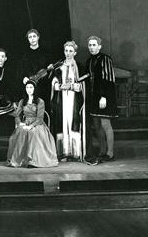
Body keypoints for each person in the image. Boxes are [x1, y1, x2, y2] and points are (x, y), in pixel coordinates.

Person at [6, 80, 58, 168]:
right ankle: (21, 160)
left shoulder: (40, 101)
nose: (29, 89)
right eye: (27, 87)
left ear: (34, 89)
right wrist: (20, 123)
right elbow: (17, 115)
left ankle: (33, 160)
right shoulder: (22, 101)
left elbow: (40, 118)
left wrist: (30, 126)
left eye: (31, 87)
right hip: (25, 122)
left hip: (37, 123)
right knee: (19, 134)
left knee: (33, 133)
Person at [83, 35, 117, 164]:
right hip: (93, 98)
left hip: (104, 97)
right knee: (96, 125)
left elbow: (108, 79)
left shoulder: (105, 59)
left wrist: (104, 97)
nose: (92, 47)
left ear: (99, 46)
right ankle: (102, 151)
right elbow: (86, 77)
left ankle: (110, 153)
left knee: (105, 124)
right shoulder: (89, 61)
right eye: (90, 45)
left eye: (94, 45)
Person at [50, 40, 86, 162]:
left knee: (73, 122)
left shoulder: (79, 67)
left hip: (74, 100)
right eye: (66, 51)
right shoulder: (59, 67)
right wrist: (60, 86)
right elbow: (53, 84)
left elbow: (83, 86)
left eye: (71, 51)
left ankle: (75, 153)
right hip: (61, 100)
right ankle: (63, 152)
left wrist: (71, 86)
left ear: (75, 52)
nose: (68, 53)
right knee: (62, 122)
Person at [18, 29, 53, 109]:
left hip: (43, 86)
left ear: (38, 37)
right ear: (28, 39)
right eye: (30, 37)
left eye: (34, 36)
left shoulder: (45, 52)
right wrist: (24, 77)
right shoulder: (24, 54)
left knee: (43, 107)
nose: (32, 39)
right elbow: (21, 70)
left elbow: (50, 70)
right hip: (29, 85)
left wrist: (50, 69)